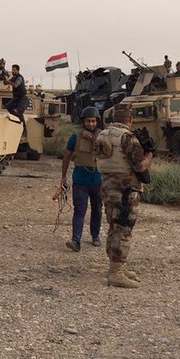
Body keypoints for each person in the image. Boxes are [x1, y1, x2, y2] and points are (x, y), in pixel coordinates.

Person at [95, 104, 153, 288]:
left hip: (107, 186)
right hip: (125, 189)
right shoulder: (127, 137)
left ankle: (116, 266)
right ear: (130, 119)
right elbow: (140, 166)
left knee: (114, 226)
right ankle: (116, 273)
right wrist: (149, 156)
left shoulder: (103, 134)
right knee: (124, 228)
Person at [60, 106, 102, 252]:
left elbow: (108, 151)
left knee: (97, 209)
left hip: (98, 180)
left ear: (97, 121)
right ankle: (76, 240)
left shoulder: (102, 136)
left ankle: (95, 235)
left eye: (93, 121)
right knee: (79, 210)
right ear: (83, 121)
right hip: (80, 180)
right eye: (88, 121)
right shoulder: (75, 137)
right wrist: (63, 177)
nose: (91, 124)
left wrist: (92, 138)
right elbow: (66, 157)